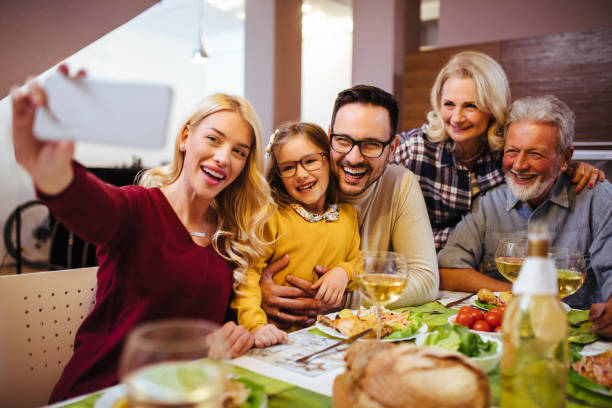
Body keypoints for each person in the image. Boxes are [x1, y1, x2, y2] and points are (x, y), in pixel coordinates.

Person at [11, 66, 274, 401]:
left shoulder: (227, 236)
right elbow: (93, 207)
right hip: (104, 392)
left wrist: (229, 334)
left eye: (239, 151)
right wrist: (54, 175)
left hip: (179, 393)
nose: (224, 158)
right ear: (184, 139)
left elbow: (204, 324)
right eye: (214, 139)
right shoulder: (138, 210)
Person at [260, 85, 439, 328]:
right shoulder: (294, 182)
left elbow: (426, 280)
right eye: (343, 140)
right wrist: (260, 292)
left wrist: (343, 300)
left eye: (371, 144)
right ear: (330, 135)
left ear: (392, 149)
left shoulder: (400, 184)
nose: (354, 158)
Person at [394, 51, 605, 250]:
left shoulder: (507, 153)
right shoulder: (412, 150)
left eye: (471, 106)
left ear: (492, 108)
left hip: (481, 272)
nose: (456, 118)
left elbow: (543, 166)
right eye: (449, 104)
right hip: (420, 270)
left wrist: (570, 167)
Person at [437, 95, 612, 319]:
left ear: (565, 158)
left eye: (534, 153)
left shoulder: (598, 199)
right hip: (504, 332)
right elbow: (448, 270)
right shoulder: (489, 203)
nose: (518, 165)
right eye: (512, 151)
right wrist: (517, 294)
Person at [231, 122, 362, 347]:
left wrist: (344, 272)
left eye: (310, 161)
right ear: (279, 174)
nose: (301, 174)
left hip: (331, 338)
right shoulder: (272, 218)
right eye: (289, 167)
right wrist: (257, 326)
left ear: (329, 161)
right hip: (278, 338)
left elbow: (359, 260)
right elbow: (247, 277)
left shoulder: (348, 216)